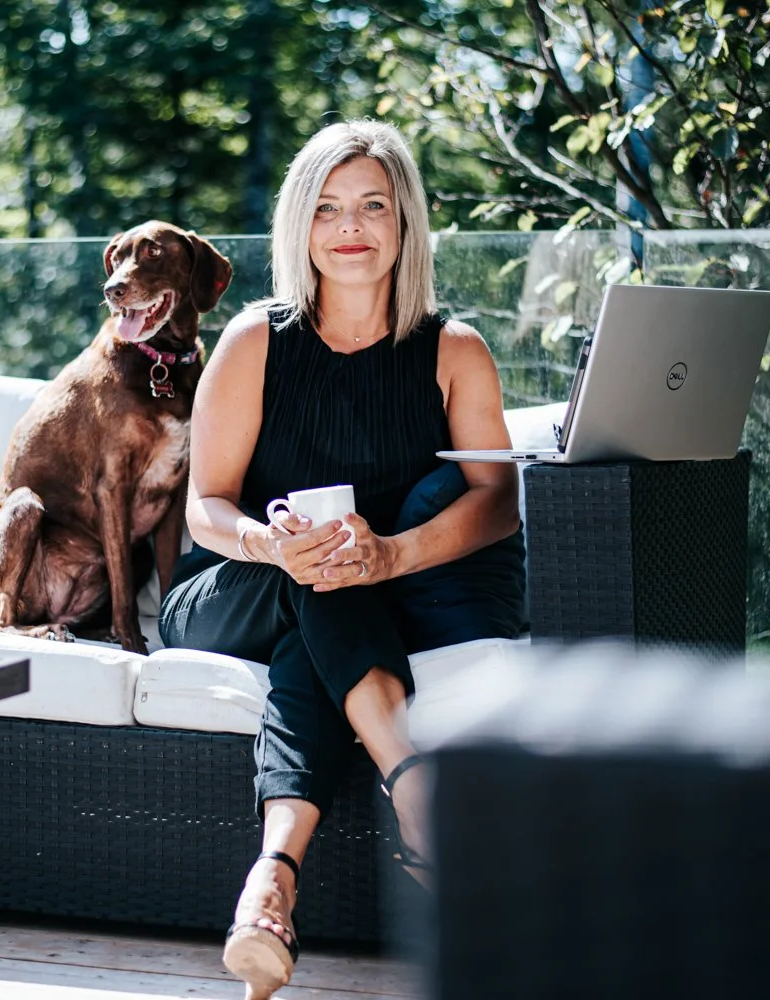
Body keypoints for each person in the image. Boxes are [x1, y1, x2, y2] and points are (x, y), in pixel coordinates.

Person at [158, 119, 526, 1000]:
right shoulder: (256, 341)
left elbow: (500, 501)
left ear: (404, 222)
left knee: (324, 599)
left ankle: (271, 884)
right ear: (300, 226)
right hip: (229, 589)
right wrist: (269, 545)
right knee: (315, 575)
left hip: (352, 597)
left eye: (371, 205)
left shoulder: (453, 351)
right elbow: (204, 507)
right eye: (325, 208)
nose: (349, 226)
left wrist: (389, 555)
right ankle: (416, 791)